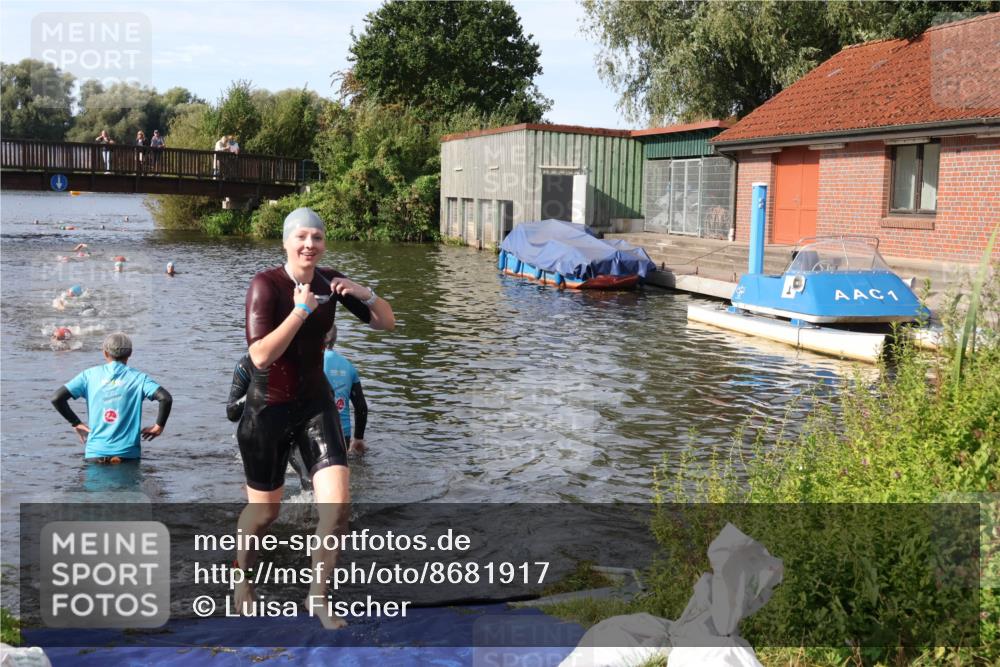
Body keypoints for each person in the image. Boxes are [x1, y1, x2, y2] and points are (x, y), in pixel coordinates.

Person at [234, 207, 394, 628]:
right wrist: (301, 311)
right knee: (264, 514)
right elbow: (260, 356)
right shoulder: (265, 285)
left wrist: (363, 293)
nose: (310, 245)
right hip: (267, 408)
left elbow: (387, 324)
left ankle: (318, 597)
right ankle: (242, 580)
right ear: (286, 242)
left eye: (317, 238)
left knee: (337, 508)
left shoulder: (330, 281)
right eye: (302, 237)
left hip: (315, 405)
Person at [51, 332, 172, 463]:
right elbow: (165, 398)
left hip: (95, 453)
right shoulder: (139, 378)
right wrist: (159, 426)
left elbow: (57, 398)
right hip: (127, 454)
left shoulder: (88, 376)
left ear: (105, 353)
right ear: (130, 354)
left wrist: (76, 423)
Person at [226, 354, 313, 490]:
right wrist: (255, 391)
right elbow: (231, 413)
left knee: (308, 477)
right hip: (257, 430)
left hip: (290, 429)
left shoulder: (294, 361)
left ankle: (313, 507)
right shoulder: (245, 365)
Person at [322, 323, 368, 456]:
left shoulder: (310, 361)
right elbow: (361, 408)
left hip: (316, 432)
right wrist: (358, 438)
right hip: (343, 435)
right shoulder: (349, 366)